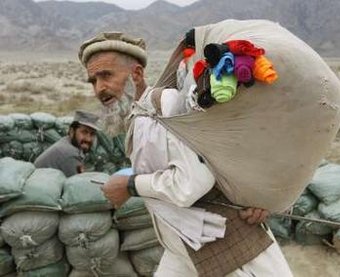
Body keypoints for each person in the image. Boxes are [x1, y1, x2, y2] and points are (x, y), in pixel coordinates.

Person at [79, 32, 293, 276]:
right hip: (185, 245)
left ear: (136, 74)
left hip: (231, 252)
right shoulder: (139, 117)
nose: (99, 89)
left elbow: (192, 182)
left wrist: (130, 185)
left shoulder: (166, 107)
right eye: (93, 81)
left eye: (106, 75)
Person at [34, 110, 100, 177]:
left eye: (92, 134)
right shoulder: (69, 154)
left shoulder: (68, 142)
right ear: (72, 131)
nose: (88, 139)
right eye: (84, 132)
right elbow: (77, 184)